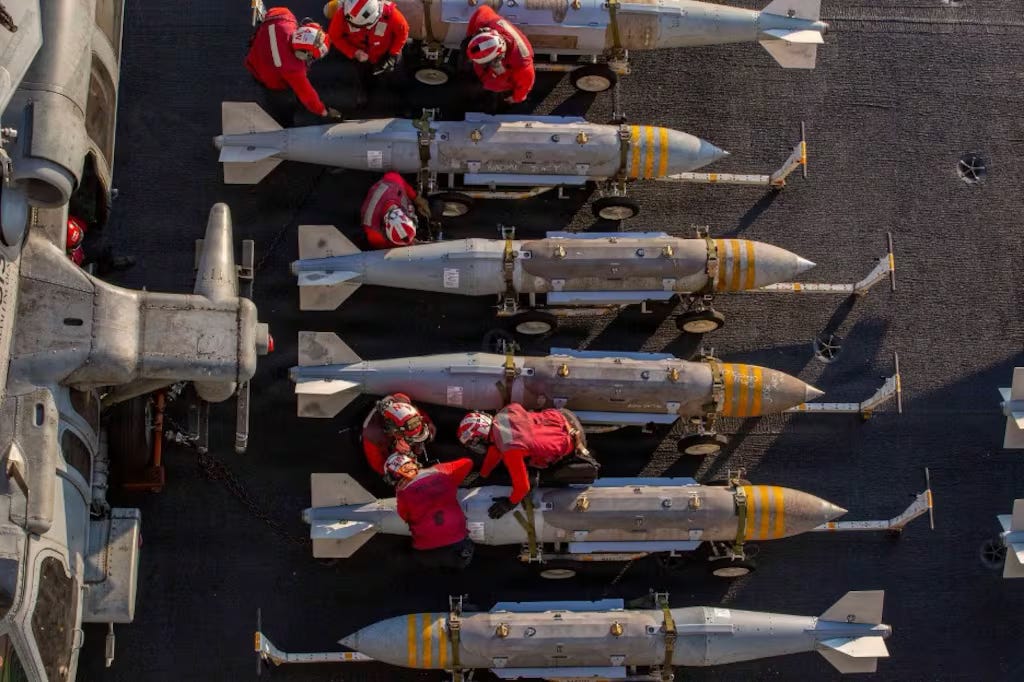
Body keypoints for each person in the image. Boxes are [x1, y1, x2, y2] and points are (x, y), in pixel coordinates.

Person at [457, 404, 599, 519]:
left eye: (474, 443)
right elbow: (496, 447)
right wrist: (483, 474)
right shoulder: (506, 412)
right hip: (565, 417)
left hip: (571, 443)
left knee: (535, 476)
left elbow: (523, 487)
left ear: (481, 436)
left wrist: (509, 503)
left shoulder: (511, 449)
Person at [245, 8, 342, 126]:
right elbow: (308, 96)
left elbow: (273, 12)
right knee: (281, 105)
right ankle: (284, 122)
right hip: (269, 79)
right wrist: (323, 112)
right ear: (303, 54)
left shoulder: (284, 17)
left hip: (256, 56)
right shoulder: (294, 69)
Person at [387, 450, 476, 570]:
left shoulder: (401, 493)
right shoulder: (440, 471)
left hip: (426, 553)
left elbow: (404, 516)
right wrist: (454, 482)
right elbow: (468, 462)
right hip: (456, 550)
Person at [325, 0, 410, 106]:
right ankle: (364, 91)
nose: (354, 27)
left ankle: (403, 98)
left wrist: (393, 55)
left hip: (386, 52)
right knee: (362, 75)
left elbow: (403, 32)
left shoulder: (391, 15)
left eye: (359, 25)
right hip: (361, 55)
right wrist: (354, 52)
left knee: (397, 74)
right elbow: (335, 36)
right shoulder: (344, 13)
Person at [464, 6, 535, 107]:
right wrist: (469, 36)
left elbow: (526, 84)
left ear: (496, 59)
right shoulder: (488, 20)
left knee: (494, 84)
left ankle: (499, 90)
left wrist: (516, 97)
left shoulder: (523, 64)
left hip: (508, 68)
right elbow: (482, 9)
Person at [361, 393, 436, 477]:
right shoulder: (372, 437)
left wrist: (428, 422)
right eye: (411, 437)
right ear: (395, 431)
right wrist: (400, 458)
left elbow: (415, 414)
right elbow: (379, 466)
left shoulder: (404, 407)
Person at [361, 172, 431, 248]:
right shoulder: (373, 229)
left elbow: (402, 182)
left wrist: (416, 198)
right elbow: (383, 248)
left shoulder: (392, 185)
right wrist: (408, 244)